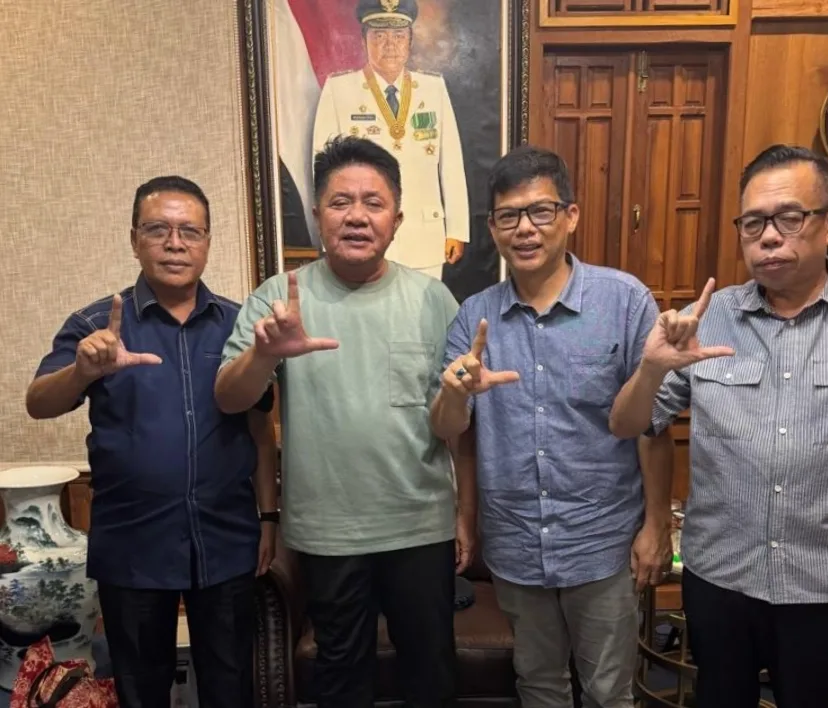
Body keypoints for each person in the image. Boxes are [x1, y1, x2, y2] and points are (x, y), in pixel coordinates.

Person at [609, 144, 828, 708]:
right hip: (720, 578)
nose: (768, 237)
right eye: (753, 223)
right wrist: (650, 369)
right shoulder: (707, 318)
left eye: (789, 218)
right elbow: (628, 425)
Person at [214, 135, 471, 708]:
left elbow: (456, 428)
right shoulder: (279, 298)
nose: (357, 216)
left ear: (396, 220)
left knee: (431, 674)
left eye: (373, 203)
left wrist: (465, 514)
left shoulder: (434, 300)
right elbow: (230, 400)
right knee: (340, 677)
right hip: (328, 532)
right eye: (340, 202)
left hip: (420, 525)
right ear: (316, 215)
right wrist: (264, 354)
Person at [430, 145, 673, 708]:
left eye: (540, 211)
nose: (525, 229)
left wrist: (656, 525)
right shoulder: (474, 317)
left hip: (602, 540)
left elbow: (652, 427)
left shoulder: (624, 301)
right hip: (515, 542)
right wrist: (455, 393)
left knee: (609, 691)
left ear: (571, 215)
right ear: (493, 228)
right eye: (508, 216)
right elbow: (451, 432)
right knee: (539, 685)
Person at [25, 176, 278, 708]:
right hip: (132, 547)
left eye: (190, 231)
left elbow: (259, 428)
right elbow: (39, 402)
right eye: (158, 229)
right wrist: (82, 371)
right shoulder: (96, 324)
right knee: (140, 690)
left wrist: (269, 518)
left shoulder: (239, 324)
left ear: (207, 241)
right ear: (134, 239)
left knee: (231, 687)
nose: (175, 243)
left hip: (226, 540)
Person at [312, 0, 469, 279]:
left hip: (424, 235)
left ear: (410, 41)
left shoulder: (432, 88)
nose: (390, 45)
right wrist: (330, 235)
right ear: (363, 41)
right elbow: (324, 171)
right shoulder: (339, 90)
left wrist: (456, 229)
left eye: (398, 36)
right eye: (379, 36)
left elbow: (451, 164)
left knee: (423, 307)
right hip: (361, 234)